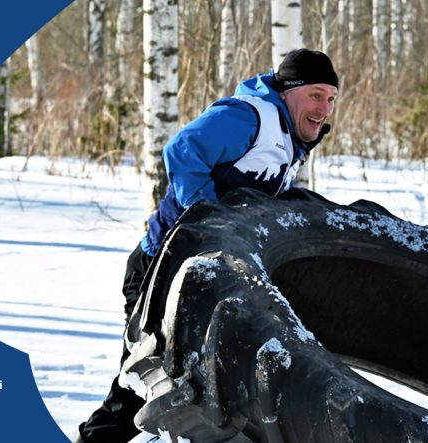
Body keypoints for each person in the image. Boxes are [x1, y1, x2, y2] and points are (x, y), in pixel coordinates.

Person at [75, 48, 339, 443]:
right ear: (287, 91)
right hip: (159, 272)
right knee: (145, 389)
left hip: (205, 282)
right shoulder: (250, 117)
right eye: (316, 95)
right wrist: (210, 220)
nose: (324, 109)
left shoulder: (289, 138)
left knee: (224, 391)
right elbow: (183, 151)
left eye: (331, 98)